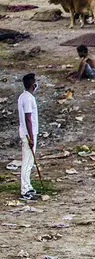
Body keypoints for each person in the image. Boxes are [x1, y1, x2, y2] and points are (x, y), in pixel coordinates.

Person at [18, 73, 39, 201]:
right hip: (28, 134)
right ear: (33, 85)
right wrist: (31, 137)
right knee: (27, 162)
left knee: (30, 161)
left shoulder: (22, 96)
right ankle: (24, 190)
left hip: (27, 133)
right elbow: (28, 118)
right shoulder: (28, 98)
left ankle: (28, 186)